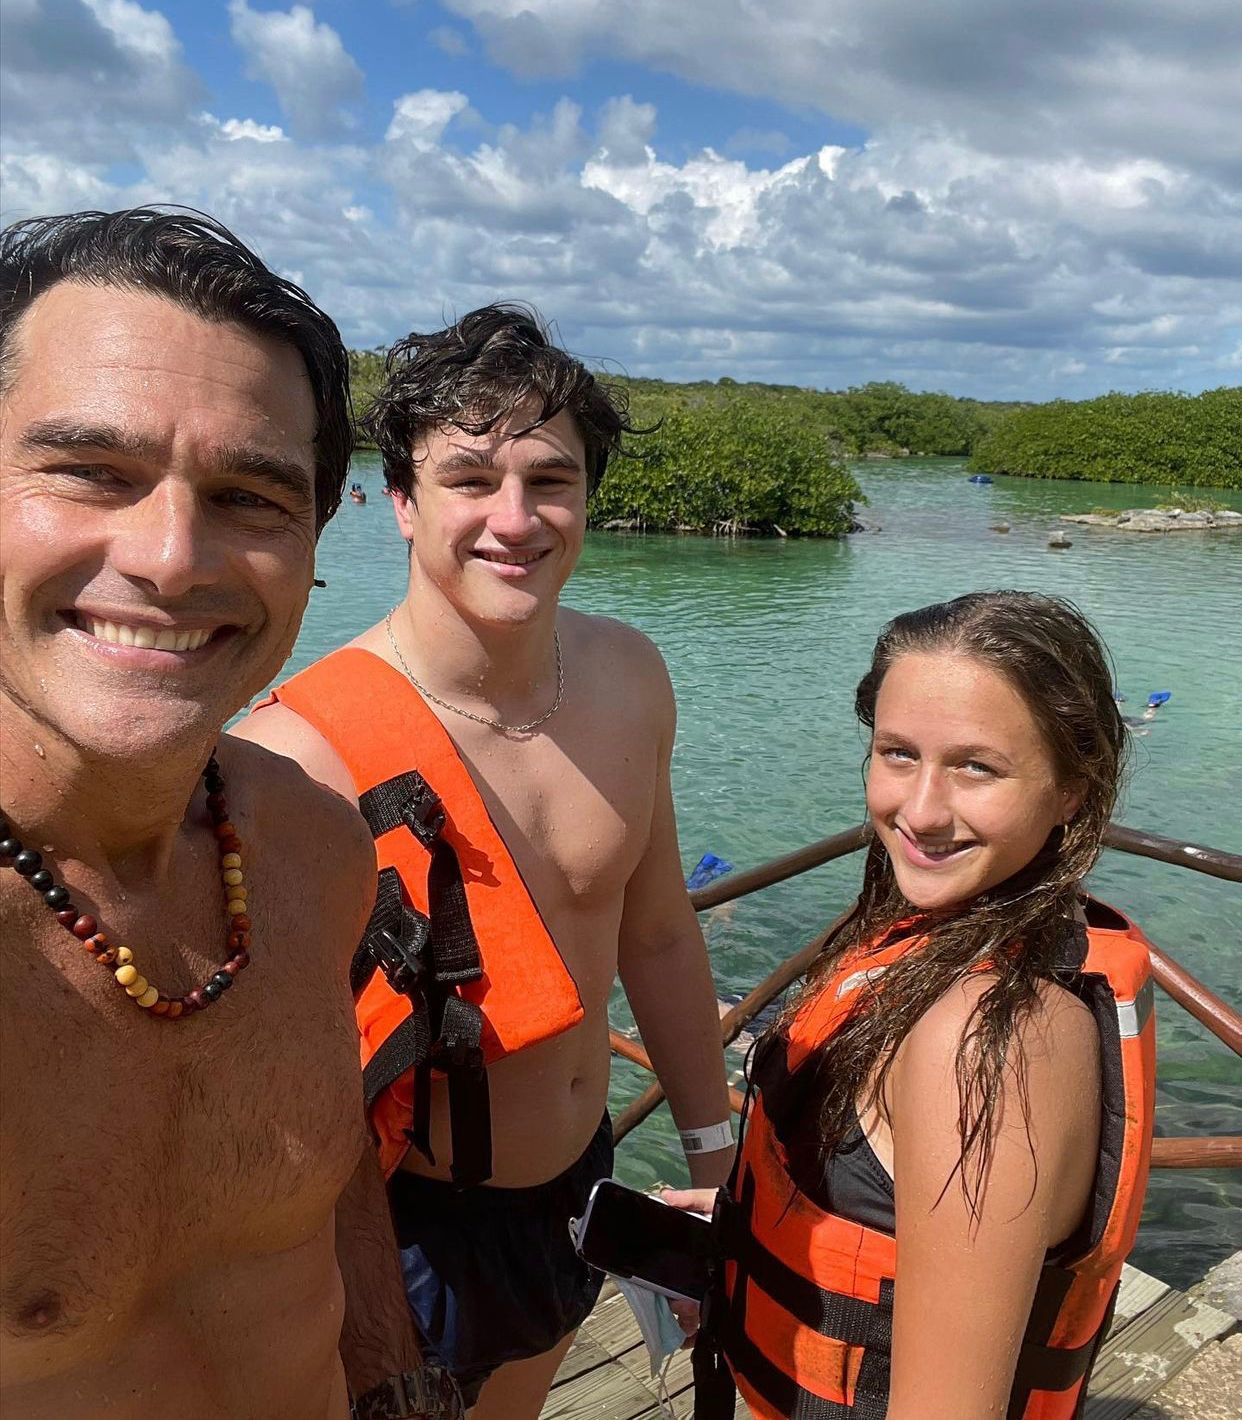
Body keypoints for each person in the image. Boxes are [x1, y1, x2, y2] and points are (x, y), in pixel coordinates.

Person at [233, 304, 736, 1417]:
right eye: (470, 478)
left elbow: (656, 929)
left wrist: (713, 1150)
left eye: (550, 480)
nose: (515, 517)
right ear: (402, 502)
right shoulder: (296, 755)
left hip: (580, 1180)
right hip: (404, 1221)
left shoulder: (630, 675)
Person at [0, 209, 447, 1420]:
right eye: (92, 470)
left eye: (252, 494)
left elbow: (329, 1164)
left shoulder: (310, 841)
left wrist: (397, 1384)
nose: (172, 556)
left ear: (316, 539)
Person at [667, 591, 1157, 1420]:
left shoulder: (988, 1044)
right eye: (898, 754)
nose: (920, 813)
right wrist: (750, 1219)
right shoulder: (963, 942)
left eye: (977, 766)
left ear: (1074, 787)